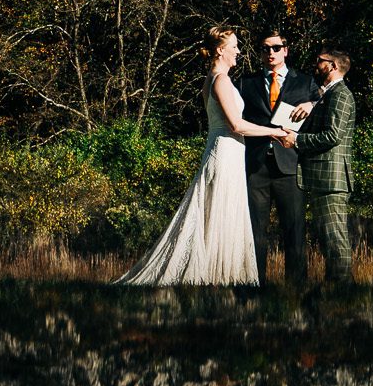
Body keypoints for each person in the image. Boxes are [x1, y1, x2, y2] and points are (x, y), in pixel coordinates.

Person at [117, 28, 285, 286]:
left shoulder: (214, 78)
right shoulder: (220, 80)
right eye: (235, 46)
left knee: (219, 209)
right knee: (219, 209)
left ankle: (220, 275)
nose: (238, 51)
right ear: (221, 50)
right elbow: (236, 126)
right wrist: (275, 132)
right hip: (226, 151)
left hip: (226, 150)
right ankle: (217, 275)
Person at [244, 29, 319, 284]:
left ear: (285, 50)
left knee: (294, 229)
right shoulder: (246, 83)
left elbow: (328, 104)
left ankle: (295, 289)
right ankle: (255, 285)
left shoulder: (305, 82)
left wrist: (312, 104)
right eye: (265, 48)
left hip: (289, 164)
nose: (270, 53)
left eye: (276, 48)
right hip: (256, 167)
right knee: (255, 231)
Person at [288, 48, 361, 283]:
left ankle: (342, 291)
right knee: (328, 237)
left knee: (335, 238)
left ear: (333, 66)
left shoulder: (340, 94)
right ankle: (336, 289)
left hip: (332, 178)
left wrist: (297, 140)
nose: (316, 64)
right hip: (324, 178)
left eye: (320, 61)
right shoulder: (328, 94)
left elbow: (332, 136)